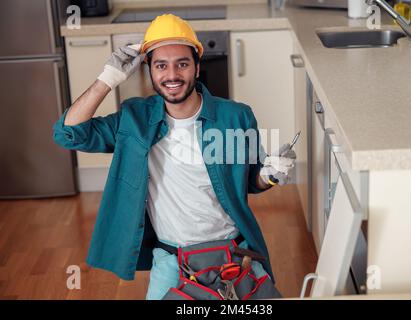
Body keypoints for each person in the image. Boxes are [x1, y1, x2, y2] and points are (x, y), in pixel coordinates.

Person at [53, 14, 296, 300]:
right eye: (161, 66)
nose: (171, 75)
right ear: (149, 71)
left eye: (182, 64)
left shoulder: (235, 116)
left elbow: (252, 181)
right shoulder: (134, 119)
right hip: (172, 258)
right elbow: (69, 134)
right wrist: (107, 80)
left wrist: (269, 174)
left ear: (196, 67)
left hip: (234, 252)